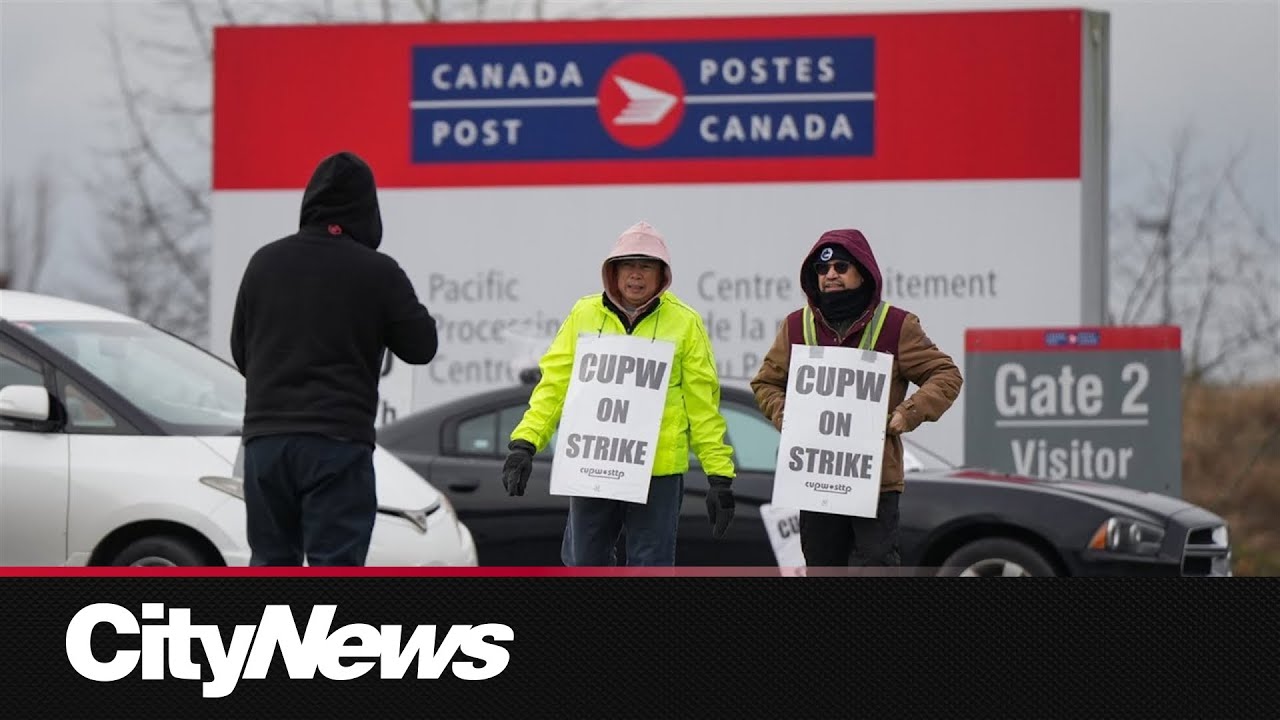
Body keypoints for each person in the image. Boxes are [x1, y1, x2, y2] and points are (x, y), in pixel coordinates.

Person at [230, 150, 439, 566]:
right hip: (335, 442)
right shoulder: (378, 272)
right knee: (336, 564)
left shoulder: (264, 262)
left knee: (270, 561)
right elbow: (422, 346)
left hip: (266, 444)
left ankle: (270, 635)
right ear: (368, 210)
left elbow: (241, 352)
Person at [500, 221, 736, 567]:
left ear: (662, 274)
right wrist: (525, 444)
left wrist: (719, 477)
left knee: (650, 565)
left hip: (658, 473)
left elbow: (702, 407)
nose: (636, 276)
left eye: (646, 266)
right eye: (628, 265)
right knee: (584, 562)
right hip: (593, 464)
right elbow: (554, 385)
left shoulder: (685, 323)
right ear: (613, 271)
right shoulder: (584, 313)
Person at [750, 229, 962, 567]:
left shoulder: (896, 325)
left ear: (862, 270)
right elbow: (766, 384)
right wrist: (786, 415)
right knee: (822, 567)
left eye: (841, 266)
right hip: (816, 479)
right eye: (822, 269)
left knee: (877, 566)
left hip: (875, 480)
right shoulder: (796, 326)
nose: (831, 274)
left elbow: (947, 376)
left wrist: (907, 414)